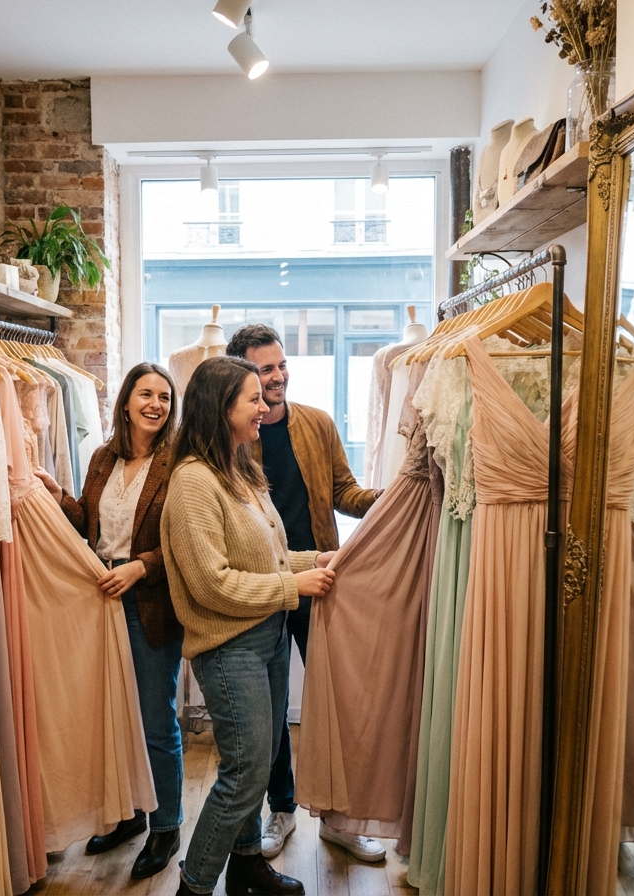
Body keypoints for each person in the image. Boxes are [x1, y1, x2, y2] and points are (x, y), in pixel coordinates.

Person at [161, 355, 336, 896]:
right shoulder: (193, 483)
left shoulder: (238, 468)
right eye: (253, 399)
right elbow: (211, 583)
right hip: (229, 644)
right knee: (245, 775)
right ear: (221, 409)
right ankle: (194, 885)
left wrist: (318, 562)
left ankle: (246, 866)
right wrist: (294, 589)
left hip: (267, 638)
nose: (265, 407)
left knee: (256, 767)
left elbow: (272, 556)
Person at [224, 324, 384, 863]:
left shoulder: (315, 423)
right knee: (269, 711)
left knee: (336, 701)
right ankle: (284, 809)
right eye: (265, 369)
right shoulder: (231, 437)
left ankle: (340, 818)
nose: (278, 377)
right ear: (243, 375)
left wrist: (393, 498)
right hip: (262, 587)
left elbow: (344, 491)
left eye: (281, 364)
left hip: (316, 580)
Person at [36, 362, 184, 880]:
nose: (156, 405)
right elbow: (89, 525)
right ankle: (129, 814)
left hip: (150, 599)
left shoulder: (179, 463)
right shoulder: (102, 458)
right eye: (146, 394)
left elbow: (187, 540)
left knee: (153, 717)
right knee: (111, 714)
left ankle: (167, 824)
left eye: (164, 397)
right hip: (99, 597)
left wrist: (142, 567)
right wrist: (58, 500)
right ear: (126, 402)